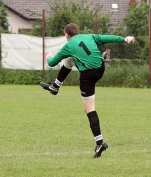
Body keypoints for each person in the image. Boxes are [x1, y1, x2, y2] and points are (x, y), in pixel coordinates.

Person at [40, 23, 134, 158]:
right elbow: (107, 38)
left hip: (88, 75)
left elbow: (52, 63)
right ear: (77, 32)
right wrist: (124, 39)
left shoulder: (68, 45)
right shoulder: (89, 36)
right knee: (70, 60)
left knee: (89, 109)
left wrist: (48, 55)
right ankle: (55, 85)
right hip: (100, 68)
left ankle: (100, 142)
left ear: (67, 35)